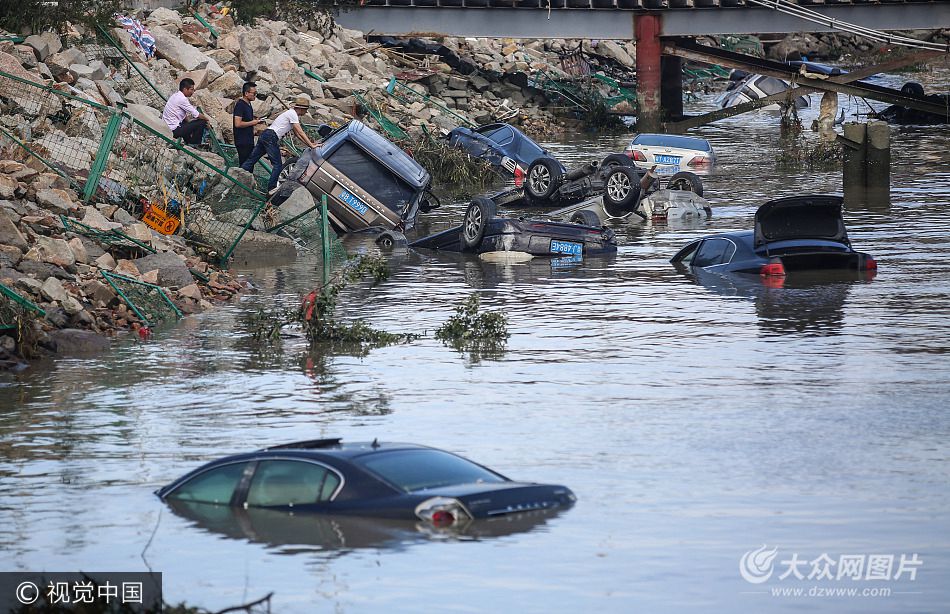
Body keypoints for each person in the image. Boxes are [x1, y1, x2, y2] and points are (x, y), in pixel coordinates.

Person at [241, 96, 318, 193]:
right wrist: (311, 145)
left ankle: (237, 176)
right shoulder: (293, 114)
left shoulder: (291, 113)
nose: (305, 112)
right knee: (278, 164)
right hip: (271, 137)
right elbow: (300, 131)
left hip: (266, 134)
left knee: (252, 159)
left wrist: (308, 144)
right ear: (301, 109)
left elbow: (297, 134)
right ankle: (271, 189)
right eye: (305, 110)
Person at [162, 78, 210, 146]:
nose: (193, 92)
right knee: (202, 122)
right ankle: (194, 144)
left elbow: (184, 117)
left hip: (168, 127)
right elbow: (196, 114)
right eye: (191, 89)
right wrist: (207, 120)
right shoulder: (182, 99)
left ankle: (188, 141)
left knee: (189, 122)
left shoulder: (175, 95)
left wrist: (191, 124)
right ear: (185, 89)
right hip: (173, 130)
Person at [233, 81, 264, 165]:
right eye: (254, 93)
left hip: (248, 140)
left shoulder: (248, 104)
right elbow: (237, 124)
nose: (255, 96)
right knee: (245, 165)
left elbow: (246, 120)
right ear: (246, 93)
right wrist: (253, 122)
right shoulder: (240, 105)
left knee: (250, 165)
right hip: (242, 141)